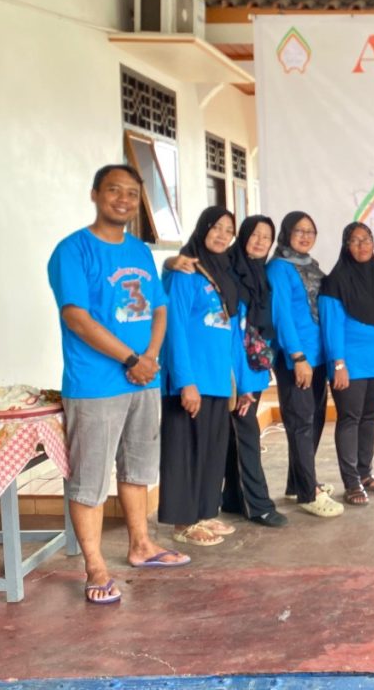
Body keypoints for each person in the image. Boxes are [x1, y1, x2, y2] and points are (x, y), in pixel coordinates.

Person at [47, 164, 189, 604]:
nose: (123, 200)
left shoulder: (140, 250)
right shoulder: (73, 250)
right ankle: (95, 566)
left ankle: (141, 545)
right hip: (95, 385)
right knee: (90, 477)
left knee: (138, 467)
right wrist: (131, 359)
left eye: (131, 192)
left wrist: (150, 357)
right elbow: (76, 317)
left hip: (143, 379)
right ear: (95, 194)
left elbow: (159, 308)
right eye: (114, 190)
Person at [159, 207, 243, 547]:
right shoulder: (185, 272)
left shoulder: (223, 275)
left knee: (211, 451)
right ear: (202, 228)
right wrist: (185, 382)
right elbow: (174, 328)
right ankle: (183, 522)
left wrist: (237, 381)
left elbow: (231, 333)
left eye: (229, 230)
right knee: (186, 453)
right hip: (191, 379)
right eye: (216, 227)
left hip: (218, 378)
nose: (222, 235)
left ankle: (205, 512)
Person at [267, 212, 342, 517]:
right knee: (301, 422)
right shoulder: (278, 268)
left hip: (319, 357)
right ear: (287, 233)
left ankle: (296, 483)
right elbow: (281, 315)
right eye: (299, 230)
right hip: (296, 359)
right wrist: (297, 357)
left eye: (310, 231)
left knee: (314, 420)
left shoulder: (311, 265)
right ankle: (308, 494)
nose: (305, 236)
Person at [320, 222, 374, 506]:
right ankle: (351, 482)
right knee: (350, 418)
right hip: (349, 363)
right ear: (346, 246)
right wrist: (338, 364)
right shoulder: (335, 280)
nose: (362, 245)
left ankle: (365, 474)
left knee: (369, 418)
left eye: (366, 239)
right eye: (355, 240)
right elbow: (331, 325)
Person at [222, 215, 288, 528]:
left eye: (267, 237)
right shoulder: (231, 274)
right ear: (243, 236)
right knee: (246, 435)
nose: (261, 242)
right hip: (237, 375)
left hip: (254, 370)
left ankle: (233, 499)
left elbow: (260, 332)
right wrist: (244, 384)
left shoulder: (259, 274)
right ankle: (258, 505)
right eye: (255, 235)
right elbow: (234, 334)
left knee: (237, 436)